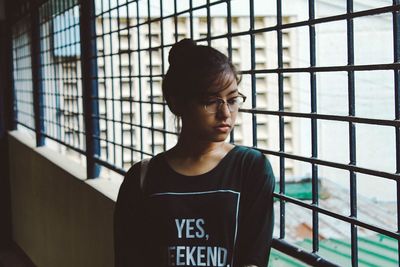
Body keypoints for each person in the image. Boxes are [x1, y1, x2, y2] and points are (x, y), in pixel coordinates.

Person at [114, 38, 275, 267]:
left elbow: (254, 258)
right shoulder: (142, 179)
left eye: (232, 100)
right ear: (177, 103)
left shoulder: (250, 168)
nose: (225, 113)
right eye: (210, 101)